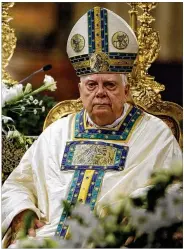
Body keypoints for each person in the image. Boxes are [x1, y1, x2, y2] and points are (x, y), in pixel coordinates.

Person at [2, 6, 182, 248]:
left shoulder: (154, 134)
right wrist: (21, 211)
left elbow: (175, 191)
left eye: (109, 84)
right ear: (80, 91)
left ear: (126, 91)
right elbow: (18, 183)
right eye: (91, 85)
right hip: (47, 237)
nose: (100, 93)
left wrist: (134, 212)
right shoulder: (57, 133)